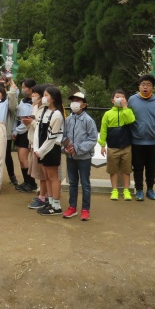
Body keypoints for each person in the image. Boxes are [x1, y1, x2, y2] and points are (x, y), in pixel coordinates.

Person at [129, 74, 155, 201]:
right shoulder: (132, 100)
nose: (145, 87)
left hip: (153, 142)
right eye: (143, 84)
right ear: (139, 87)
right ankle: (139, 189)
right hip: (136, 141)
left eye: (148, 85)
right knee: (137, 167)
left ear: (153, 88)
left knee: (151, 167)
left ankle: (150, 189)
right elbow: (127, 119)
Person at [62, 92, 98, 221]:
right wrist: (66, 148)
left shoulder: (88, 120)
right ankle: (72, 207)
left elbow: (93, 139)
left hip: (84, 158)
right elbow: (63, 136)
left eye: (78, 101)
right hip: (70, 157)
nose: (74, 103)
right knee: (72, 183)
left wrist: (77, 148)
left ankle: (85, 209)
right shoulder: (68, 119)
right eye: (73, 100)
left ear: (84, 105)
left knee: (85, 183)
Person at [98, 89, 136, 201]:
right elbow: (103, 130)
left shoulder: (128, 111)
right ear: (112, 100)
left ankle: (126, 190)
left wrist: (125, 108)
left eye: (122, 97)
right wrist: (102, 145)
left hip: (126, 146)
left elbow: (130, 120)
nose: (120, 99)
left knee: (126, 170)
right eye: (117, 97)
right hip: (112, 147)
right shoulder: (107, 114)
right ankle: (114, 190)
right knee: (113, 170)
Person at [33, 86, 65, 216]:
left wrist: (41, 151)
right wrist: (36, 148)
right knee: (46, 176)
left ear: (53, 98)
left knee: (53, 177)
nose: (43, 98)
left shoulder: (57, 114)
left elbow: (52, 137)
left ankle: (56, 205)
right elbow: (37, 131)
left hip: (51, 149)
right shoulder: (43, 111)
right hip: (42, 149)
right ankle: (50, 202)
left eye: (46, 95)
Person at [26, 84, 50, 210]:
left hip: (42, 145)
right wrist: (28, 123)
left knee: (43, 174)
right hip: (34, 143)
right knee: (39, 173)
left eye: (35, 94)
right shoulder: (35, 107)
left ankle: (43, 197)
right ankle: (44, 195)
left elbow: (42, 128)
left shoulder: (46, 109)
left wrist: (32, 122)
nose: (33, 96)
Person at [14, 78, 38, 192]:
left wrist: (16, 130)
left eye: (24, 87)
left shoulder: (34, 102)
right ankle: (26, 181)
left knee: (24, 157)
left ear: (31, 88)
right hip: (19, 131)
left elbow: (28, 120)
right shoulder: (23, 100)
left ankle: (31, 183)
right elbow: (19, 117)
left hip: (26, 132)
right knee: (20, 157)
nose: (22, 89)